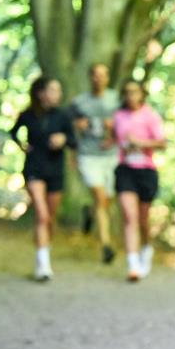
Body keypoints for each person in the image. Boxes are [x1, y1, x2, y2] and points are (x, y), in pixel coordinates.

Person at [10, 76, 77, 281]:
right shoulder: (28, 115)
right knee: (41, 213)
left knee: (49, 218)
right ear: (41, 93)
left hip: (55, 171)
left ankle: (44, 251)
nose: (58, 94)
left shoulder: (63, 116)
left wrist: (63, 139)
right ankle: (43, 265)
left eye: (59, 90)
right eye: (53, 90)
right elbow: (13, 132)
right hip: (34, 168)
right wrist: (23, 146)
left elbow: (74, 141)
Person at [112, 80, 165, 282]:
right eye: (127, 92)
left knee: (143, 219)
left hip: (146, 171)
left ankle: (146, 248)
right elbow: (112, 139)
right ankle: (133, 265)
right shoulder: (118, 116)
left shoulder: (150, 115)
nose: (130, 96)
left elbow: (162, 143)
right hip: (125, 169)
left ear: (142, 94)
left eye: (134, 92)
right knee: (129, 216)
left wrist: (140, 143)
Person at [70, 63, 119, 264]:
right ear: (90, 77)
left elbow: (126, 124)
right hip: (88, 155)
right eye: (95, 75)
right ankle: (106, 245)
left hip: (111, 156)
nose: (99, 79)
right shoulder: (78, 102)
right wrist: (76, 128)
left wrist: (113, 133)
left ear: (108, 77)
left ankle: (89, 213)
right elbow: (68, 127)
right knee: (100, 197)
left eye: (102, 75)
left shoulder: (116, 99)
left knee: (106, 200)